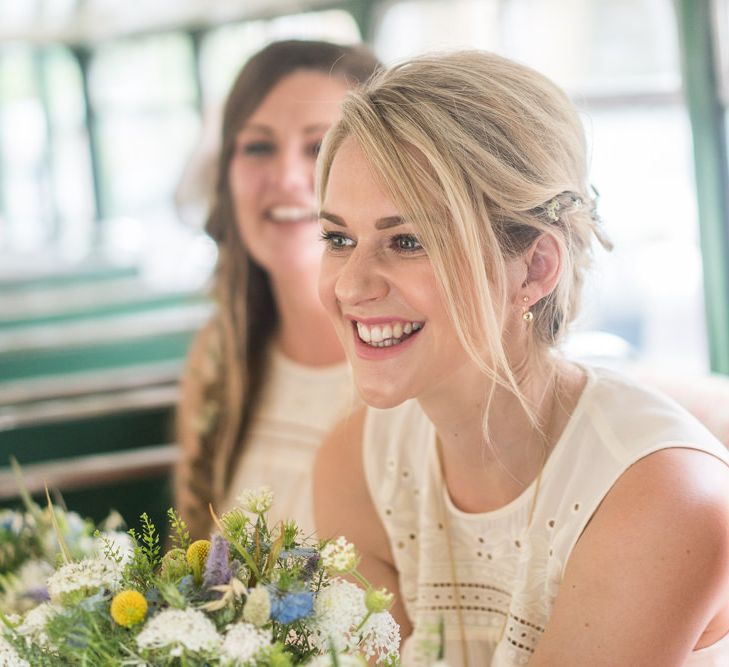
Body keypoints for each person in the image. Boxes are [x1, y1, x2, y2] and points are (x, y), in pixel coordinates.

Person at [314, 51, 729, 666]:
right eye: (339, 239)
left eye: (407, 241)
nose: (351, 286)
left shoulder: (667, 501)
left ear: (535, 267)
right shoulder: (357, 464)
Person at [176, 40, 380, 540]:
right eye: (258, 147)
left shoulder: (418, 366)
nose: (288, 178)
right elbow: (193, 549)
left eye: (320, 147)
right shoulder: (216, 356)